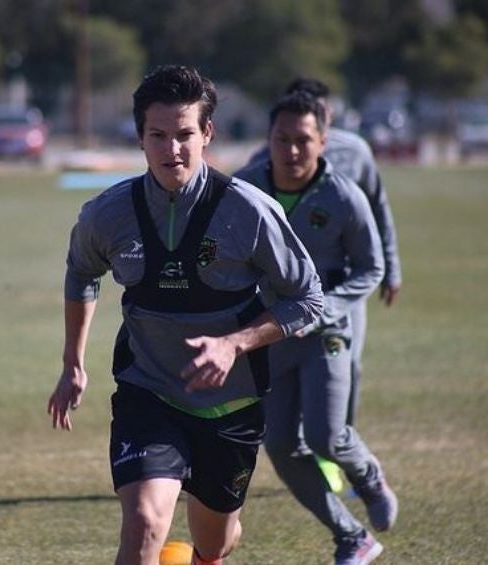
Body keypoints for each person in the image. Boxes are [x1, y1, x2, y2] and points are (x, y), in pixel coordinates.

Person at [46, 65, 324, 565]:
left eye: (184, 135)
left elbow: (307, 298)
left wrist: (233, 344)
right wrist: (73, 362)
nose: (172, 149)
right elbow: (81, 273)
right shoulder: (106, 215)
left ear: (207, 133)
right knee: (144, 522)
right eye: (158, 136)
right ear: (139, 138)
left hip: (232, 406)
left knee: (215, 542)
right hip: (148, 392)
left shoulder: (249, 211)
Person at [234, 92, 397, 565]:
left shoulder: (344, 195)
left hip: (325, 335)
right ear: (268, 140)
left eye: (303, 140)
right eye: (281, 140)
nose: (291, 151)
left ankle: (366, 475)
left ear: (323, 141)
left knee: (327, 436)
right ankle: (351, 537)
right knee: (281, 446)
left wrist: (326, 308)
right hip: (271, 336)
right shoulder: (245, 189)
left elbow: (371, 268)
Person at [248, 77, 402, 425]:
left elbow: (377, 210)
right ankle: (300, 445)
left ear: (327, 118)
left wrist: (391, 266)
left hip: (339, 282)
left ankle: (335, 441)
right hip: (282, 293)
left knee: (347, 364)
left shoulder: (355, 153)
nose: (293, 149)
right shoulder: (262, 163)